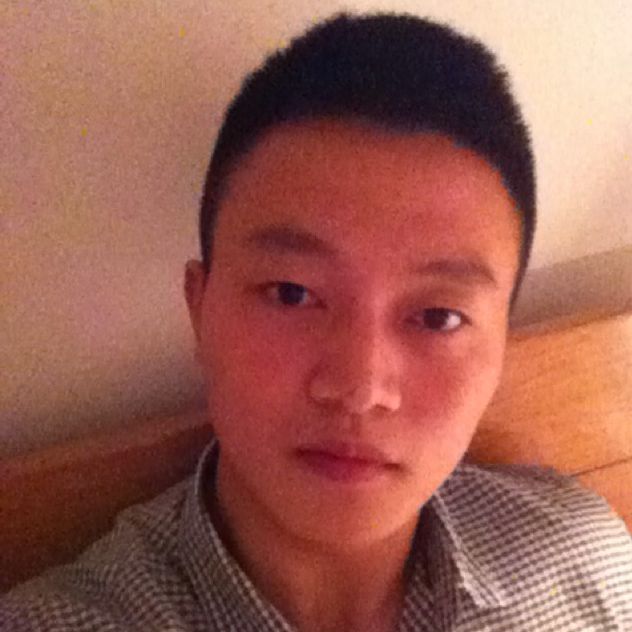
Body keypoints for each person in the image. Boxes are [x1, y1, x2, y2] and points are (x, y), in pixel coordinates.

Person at [2, 12, 631, 632]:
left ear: (500, 347)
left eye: (438, 316)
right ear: (200, 308)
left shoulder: (586, 565)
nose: (360, 388)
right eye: (292, 293)